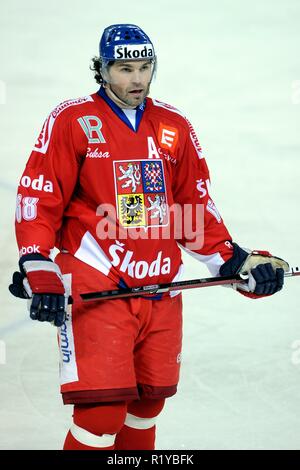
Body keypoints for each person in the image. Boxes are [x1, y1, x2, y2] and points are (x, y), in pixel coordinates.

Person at [9, 24, 289, 451]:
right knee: (100, 414)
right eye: (124, 69)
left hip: (160, 286)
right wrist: (37, 263)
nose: (137, 79)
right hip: (97, 282)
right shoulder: (73, 120)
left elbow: (192, 206)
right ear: (102, 70)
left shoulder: (173, 126)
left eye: (145, 67)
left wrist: (237, 263)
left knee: (147, 406)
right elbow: (40, 196)